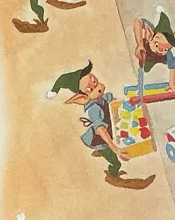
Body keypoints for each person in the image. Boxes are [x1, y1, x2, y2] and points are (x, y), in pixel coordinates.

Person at [46, 60, 156, 189]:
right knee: (116, 163)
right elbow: (101, 130)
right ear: (82, 98)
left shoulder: (102, 98)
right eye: (90, 89)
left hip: (110, 129)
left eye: (93, 80)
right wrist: (115, 149)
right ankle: (112, 177)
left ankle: (104, 152)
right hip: (99, 139)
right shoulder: (93, 109)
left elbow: (114, 103)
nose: (96, 86)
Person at [133, 5, 175, 100]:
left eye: (165, 49)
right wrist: (140, 44)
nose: (161, 50)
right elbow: (138, 21)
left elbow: (173, 67)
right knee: (145, 68)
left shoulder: (167, 54)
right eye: (157, 45)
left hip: (160, 59)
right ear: (149, 35)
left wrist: (172, 83)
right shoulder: (150, 33)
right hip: (148, 55)